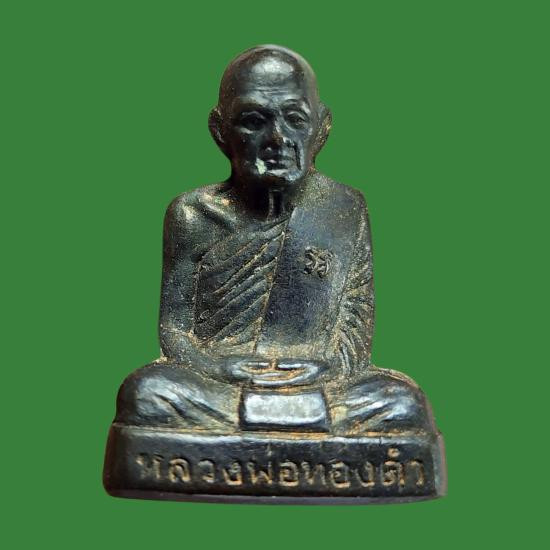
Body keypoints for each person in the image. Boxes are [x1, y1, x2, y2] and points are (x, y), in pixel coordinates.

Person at [115, 45, 435, 434]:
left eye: (295, 119)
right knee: (146, 393)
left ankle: (271, 429)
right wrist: (215, 367)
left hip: (315, 384)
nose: (278, 139)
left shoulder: (344, 208)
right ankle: (285, 430)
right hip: (220, 384)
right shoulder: (193, 214)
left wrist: (327, 367)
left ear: (321, 128)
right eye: (254, 121)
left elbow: (355, 325)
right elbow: (174, 330)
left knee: (401, 402)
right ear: (220, 131)